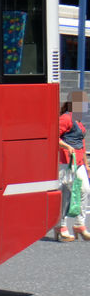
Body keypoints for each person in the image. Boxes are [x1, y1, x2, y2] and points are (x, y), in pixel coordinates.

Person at [56, 100, 90, 241]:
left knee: (85, 190)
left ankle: (79, 224)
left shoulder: (78, 121)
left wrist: (86, 164)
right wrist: (66, 147)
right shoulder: (65, 118)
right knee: (66, 195)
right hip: (67, 162)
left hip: (79, 162)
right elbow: (53, 135)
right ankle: (61, 225)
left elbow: (81, 143)